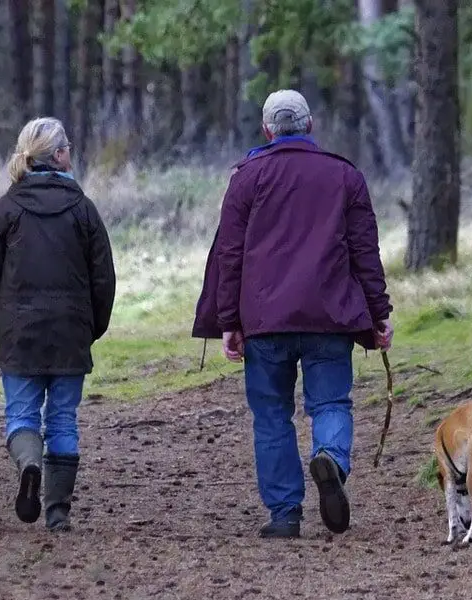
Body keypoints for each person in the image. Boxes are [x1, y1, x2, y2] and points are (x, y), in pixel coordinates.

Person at [191, 89, 393, 539]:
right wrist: (379, 312)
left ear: (266, 130)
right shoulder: (345, 176)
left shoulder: (246, 179)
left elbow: (230, 255)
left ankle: (285, 513)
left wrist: (229, 322)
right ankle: (331, 460)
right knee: (331, 403)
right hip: (330, 316)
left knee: (271, 416)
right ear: (310, 125)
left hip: (265, 322)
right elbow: (365, 252)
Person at [0, 116, 116, 532]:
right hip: (69, 335)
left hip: (19, 337)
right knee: (63, 420)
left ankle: (29, 464)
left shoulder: (6, 210)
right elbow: (104, 279)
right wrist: (91, 329)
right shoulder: (83, 210)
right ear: (60, 155)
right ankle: (58, 510)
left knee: (22, 417)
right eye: (68, 148)